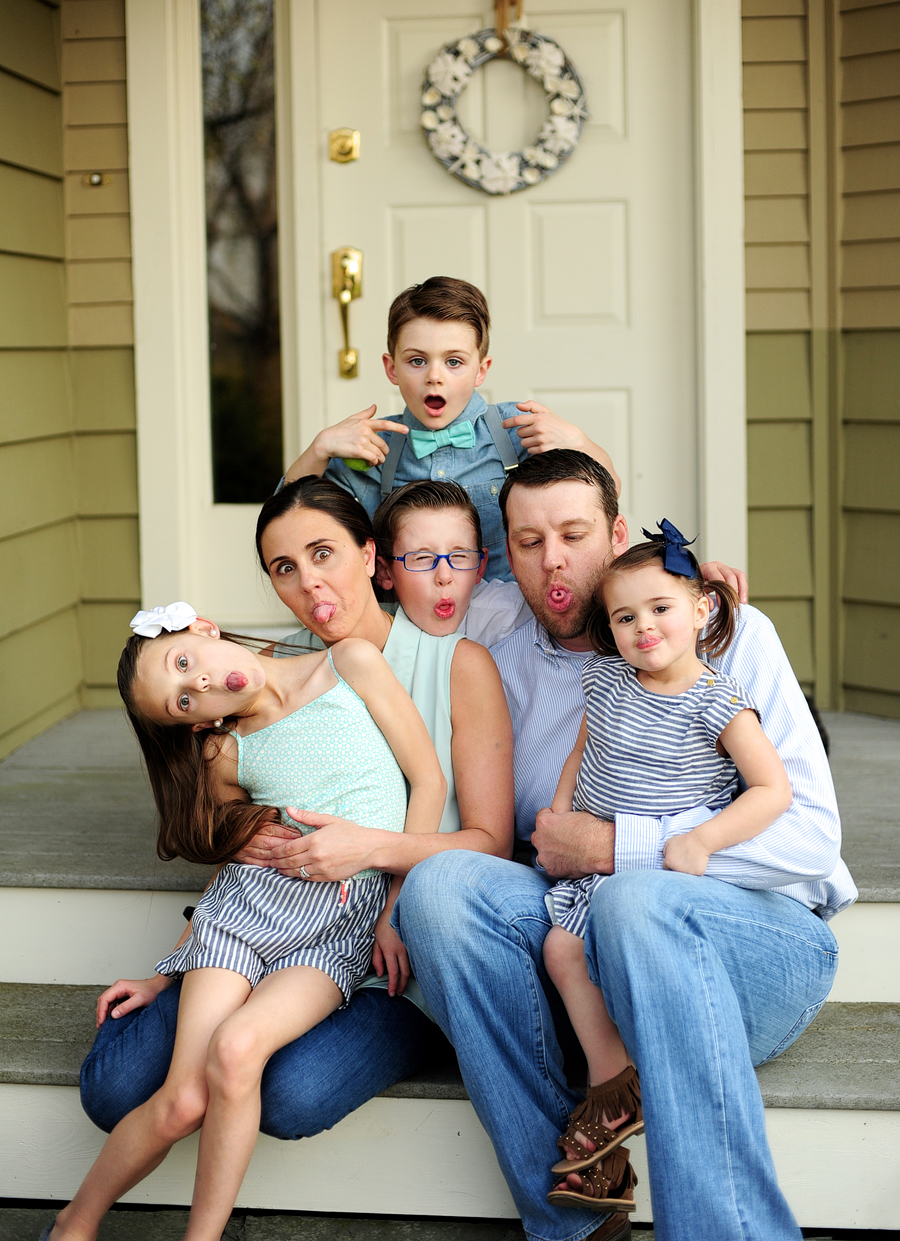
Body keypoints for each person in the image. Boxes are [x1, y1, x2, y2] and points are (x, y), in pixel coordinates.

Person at [393, 450, 857, 1241]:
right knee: (440, 889)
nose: (555, 561)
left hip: (757, 943)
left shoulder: (725, 635)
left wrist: (621, 846)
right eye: (530, 542)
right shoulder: (497, 647)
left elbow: (811, 833)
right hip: (590, 953)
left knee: (638, 897)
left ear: (615, 533)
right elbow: (354, 586)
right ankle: (576, 1214)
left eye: (575, 534)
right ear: (507, 554)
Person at [79, 477, 513, 1141]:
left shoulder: (456, 664)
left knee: (289, 1095)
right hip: (278, 930)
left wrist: (382, 871)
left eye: (324, 552)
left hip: (400, 957)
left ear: (371, 556)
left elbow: (490, 841)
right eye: (285, 567)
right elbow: (255, 852)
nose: (310, 583)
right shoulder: (266, 678)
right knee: (113, 1089)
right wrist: (176, 964)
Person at [47, 603, 446, 1241]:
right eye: (183, 701)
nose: (199, 685)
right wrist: (165, 974)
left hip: (338, 927)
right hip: (245, 913)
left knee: (237, 1049)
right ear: (195, 722)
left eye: (185, 664)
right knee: (183, 1100)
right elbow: (231, 870)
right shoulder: (224, 753)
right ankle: (74, 1224)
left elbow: (428, 782)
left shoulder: (349, 663)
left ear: (202, 629)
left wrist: (396, 910)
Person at [541, 525, 792, 1214]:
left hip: (658, 882)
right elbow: (581, 751)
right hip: (590, 870)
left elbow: (774, 789)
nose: (643, 626)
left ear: (702, 608)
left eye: (660, 608)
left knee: (587, 951)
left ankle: (612, 1098)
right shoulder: (608, 679)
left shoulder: (718, 699)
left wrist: (704, 840)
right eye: (625, 617)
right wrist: (559, 814)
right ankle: (615, 1086)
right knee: (562, 948)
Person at [282, 276, 620, 580]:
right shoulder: (372, 448)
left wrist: (579, 442)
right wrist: (319, 449)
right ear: (391, 368)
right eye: (417, 360)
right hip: (409, 624)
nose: (435, 375)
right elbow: (285, 525)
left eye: (454, 361)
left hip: (507, 622)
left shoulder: (515, 431)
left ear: (481, 370)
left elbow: (608, 495)